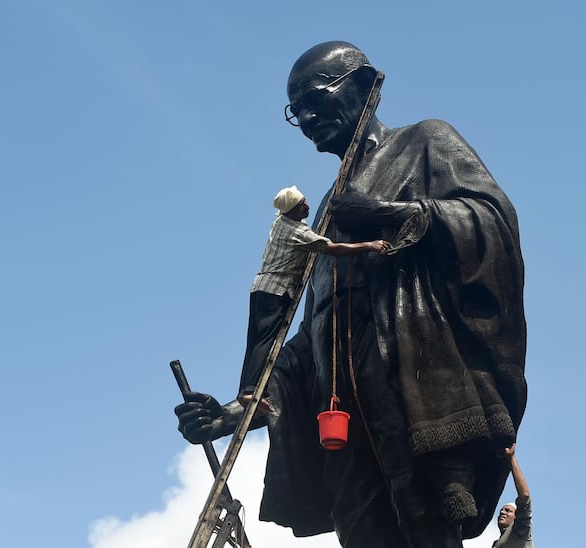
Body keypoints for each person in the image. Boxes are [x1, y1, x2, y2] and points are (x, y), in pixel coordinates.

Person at [175, 41, 528, 548]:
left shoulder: (425, 141)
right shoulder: (321, 215)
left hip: (412, 388)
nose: (310, 116)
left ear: (365, 87)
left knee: (425, 528)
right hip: (341, 416)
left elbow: (491, 221)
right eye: (298, 111)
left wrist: (395, 213)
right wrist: (240, 410)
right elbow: (311, 336)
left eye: (317, 97)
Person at [237, 185, 389, 403]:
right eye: (301, 206)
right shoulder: (296, 233)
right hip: (277, 292)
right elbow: (333, 248)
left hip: (261, 288)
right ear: (290, 211)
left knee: (255, 341)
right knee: (266, 342)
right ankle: (251, 390)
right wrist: (369, 245)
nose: (306, 206)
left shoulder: (281, 223)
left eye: (305, 201)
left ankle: (245, 389)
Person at [493, 444, 534, 548]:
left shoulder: (520, 530)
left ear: (517, 517)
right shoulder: (495, 544)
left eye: (508, 510)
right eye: (502, 510)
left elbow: (524, 496)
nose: (502, 512)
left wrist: (511, 458)